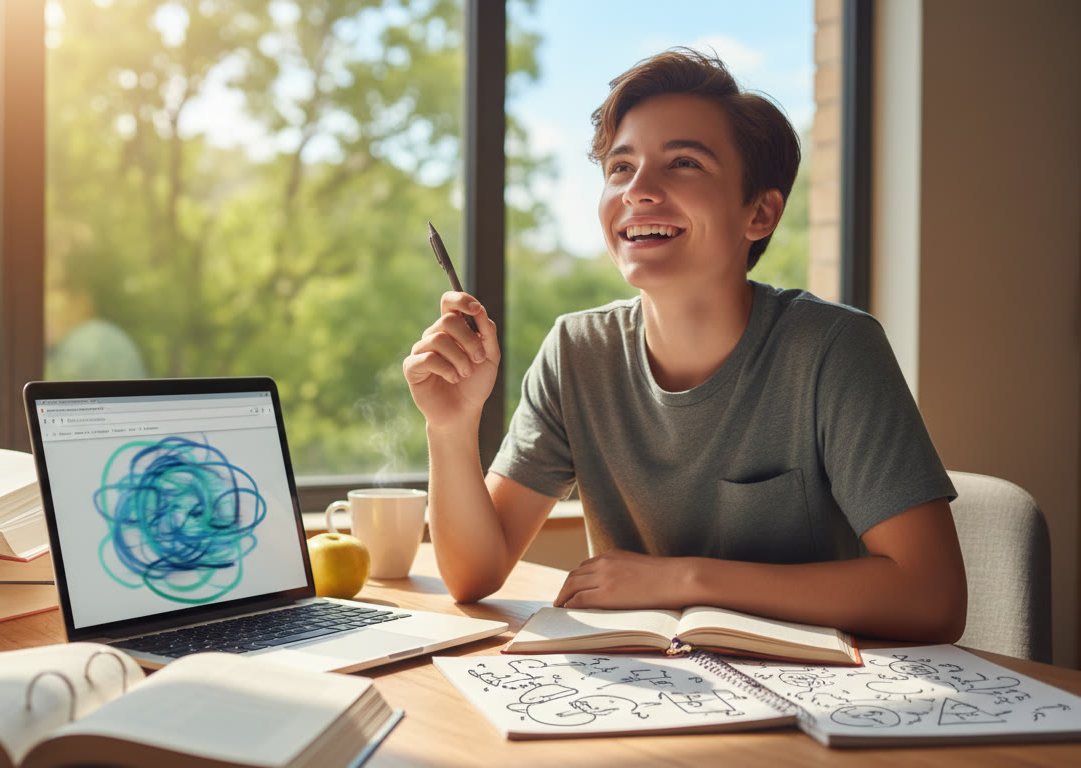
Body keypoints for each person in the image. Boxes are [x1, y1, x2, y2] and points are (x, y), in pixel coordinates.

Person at [402, 48, 967, 643]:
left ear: (761, 212)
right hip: (643, 694)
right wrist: (452, 427)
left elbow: (932, 597)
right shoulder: (576, 352)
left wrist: (685, 579)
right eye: (620, 168)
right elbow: (472, 574)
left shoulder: (834, 349)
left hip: (821, 700)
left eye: (684, 164)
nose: (638, 190)